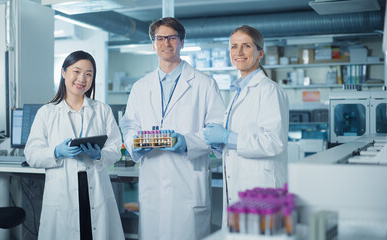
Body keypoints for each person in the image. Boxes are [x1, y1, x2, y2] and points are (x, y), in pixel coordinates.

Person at [119, 17, 225, 240]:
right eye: (160, 38)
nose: (166, 43)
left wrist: (188, 142)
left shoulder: (204, 83)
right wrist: (135, 143)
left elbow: (217, 128)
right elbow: (129, 125)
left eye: (172, 38)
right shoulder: (141, 87)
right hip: (153, 181)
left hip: (187, 182)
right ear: (153, 44)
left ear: (182, 42)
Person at [24, 50, 124, 240]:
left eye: (88, 74)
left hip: (95, 190)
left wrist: (99, 155)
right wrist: (56, 152)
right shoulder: (47, 113)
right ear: (63, 73)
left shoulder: (102, 110)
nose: (82, 79)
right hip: (63, 192)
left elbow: (115, 148)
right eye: (76, 72)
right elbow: (32, 155)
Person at [203, 25, 289, 227]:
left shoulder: (269, 91)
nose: (239, 52)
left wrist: (227, 137)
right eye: (234, 47)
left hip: (261, 187)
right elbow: (241, 139)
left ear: (260, 53)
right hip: (240, 184)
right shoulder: (237, 91)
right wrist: (219, 145)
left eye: (246, 46)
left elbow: (273, 142)